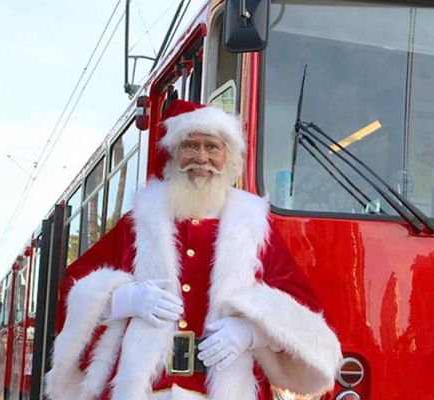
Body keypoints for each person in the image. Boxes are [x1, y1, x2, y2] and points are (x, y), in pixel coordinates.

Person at [45, 100, 342, 400]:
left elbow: (299, 307)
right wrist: (123, 299)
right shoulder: (141, 219)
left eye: (212, 147)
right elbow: (75, 285)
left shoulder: (253, 223)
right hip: (148, 390)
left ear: (229, 158)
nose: (201, 158)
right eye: (190, 146)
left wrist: (252, 334)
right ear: (175, 153)